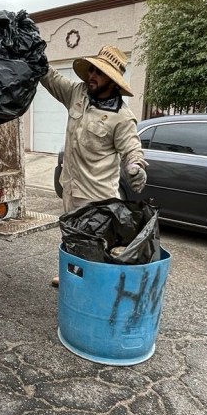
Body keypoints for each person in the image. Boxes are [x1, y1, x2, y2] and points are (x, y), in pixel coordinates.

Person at [41, 45, 147, 286]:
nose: (91, 76)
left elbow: (132, 149)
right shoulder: (77, 94)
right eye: (91, 70)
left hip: (97, 199)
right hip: (71, 188)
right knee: (71, 236)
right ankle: (71, 277)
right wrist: (36, 58)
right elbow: (52, 79)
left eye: (99, 73)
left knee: (96, 245)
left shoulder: (121, 117)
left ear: (112, 81)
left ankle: (92, 288)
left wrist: (136, 166)